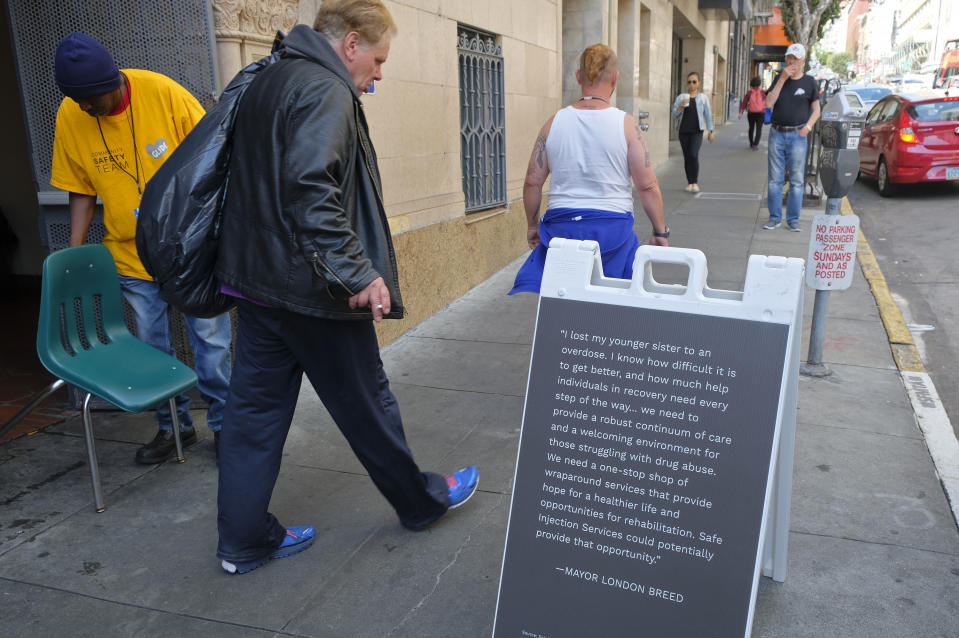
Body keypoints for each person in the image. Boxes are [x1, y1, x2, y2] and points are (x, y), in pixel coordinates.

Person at [213, 0, 478, 575]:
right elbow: (309, 187)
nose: (379, 73)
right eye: (378, 59)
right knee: (367, 404)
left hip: (257, 285)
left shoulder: (268, 75)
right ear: (351, 44)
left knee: (252, 416)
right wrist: (357, 273)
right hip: (310, 290)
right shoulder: (325, 89)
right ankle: (422, 501)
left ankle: (241, 543)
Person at [51, 32, 232, 464]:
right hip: (131, 255)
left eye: (96, 98)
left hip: (189, 249)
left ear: (116, 79)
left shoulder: (163, 93)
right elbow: (80, 189)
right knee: (152, 349)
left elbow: (215, 155)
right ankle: (175, 428)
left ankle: (227, 426)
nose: (90, 108)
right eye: (81, 102)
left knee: (211, 342)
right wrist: (73, 253)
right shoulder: (71, 113)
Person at [509, 44, 668, 295]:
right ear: (615, 78)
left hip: (561, 230)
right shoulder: (626, 125)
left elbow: (532, 182)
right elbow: (647, 185)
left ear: (578, 77)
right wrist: (660, 231)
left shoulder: (553, 123)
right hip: (613, 228)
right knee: (611, 304)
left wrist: (532, 226)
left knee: (562, 301)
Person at [762, 43, 821, 232]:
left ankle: (793, 219)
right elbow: (769, 103)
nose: (791, 61)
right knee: (774, 179)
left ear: (803, 61)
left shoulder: (810, 82)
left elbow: (817, 109)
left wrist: (808, 127)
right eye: (789, 57)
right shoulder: (780, 78)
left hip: (797, 135)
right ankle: (774, 217)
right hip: (777, 133)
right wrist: (782, 79)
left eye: (795, 58)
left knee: (796, 180)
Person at [671, 71, 714, 193]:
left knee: (693, 154)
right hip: (683, 131)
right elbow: (674, 113)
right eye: (689, 82)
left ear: (698, 83)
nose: (691, 84)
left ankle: (695, 182)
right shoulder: (681, 97)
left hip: (697, 131)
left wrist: (711, 131)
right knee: (687, 157)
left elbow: (708, 115)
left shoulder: (703, 98)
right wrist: (680, 106)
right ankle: (689, 182)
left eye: (694, 82)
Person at [740, 76, 767, 150]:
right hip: (761, 113)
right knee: (759, 129)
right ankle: (755, 144)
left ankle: (751, 143)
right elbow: (767, 101)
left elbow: (744, 103)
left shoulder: (749, 92)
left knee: (751, 128)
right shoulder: (763, 92)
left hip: (751, 113)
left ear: (751, 83)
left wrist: (741, 112)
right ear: (759, 84)